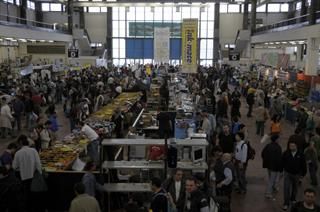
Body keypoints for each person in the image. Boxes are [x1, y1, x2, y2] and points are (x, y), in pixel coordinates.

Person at [12, 134, 42, 212]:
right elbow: (38, 163)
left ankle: (27, 208)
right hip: (34, 176)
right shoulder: (34, 151)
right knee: (35, 194)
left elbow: (14, 166)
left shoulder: (18, 153)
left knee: (26, 194)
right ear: (28, 144)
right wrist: (40, 173)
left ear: (21, 144)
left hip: (24, 177)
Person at [282, 140, 307, 211]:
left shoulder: (301, 154)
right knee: (286, 188)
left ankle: (293, 199)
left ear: (296, 146)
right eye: (290, 146)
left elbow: (303, 164)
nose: (291, 147)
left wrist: (303, 174)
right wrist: (282, 170)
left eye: (293, 146)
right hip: (287, 173)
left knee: (295, 187)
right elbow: (282, 161)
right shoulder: (286, 153)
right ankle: (286, 203)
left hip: (296, 174)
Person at [261, 135, 282, 199]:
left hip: (268, 165)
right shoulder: (278, 147)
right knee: (272, 180)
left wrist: (266, 160)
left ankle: (274, 187)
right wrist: (280, 167)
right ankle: (268, 193)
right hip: (275, 166)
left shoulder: (268, 145)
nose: (279, 140)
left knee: (271, 177)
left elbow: (262, 154)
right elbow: (279, 158)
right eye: (278, 139)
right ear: (276, 140)